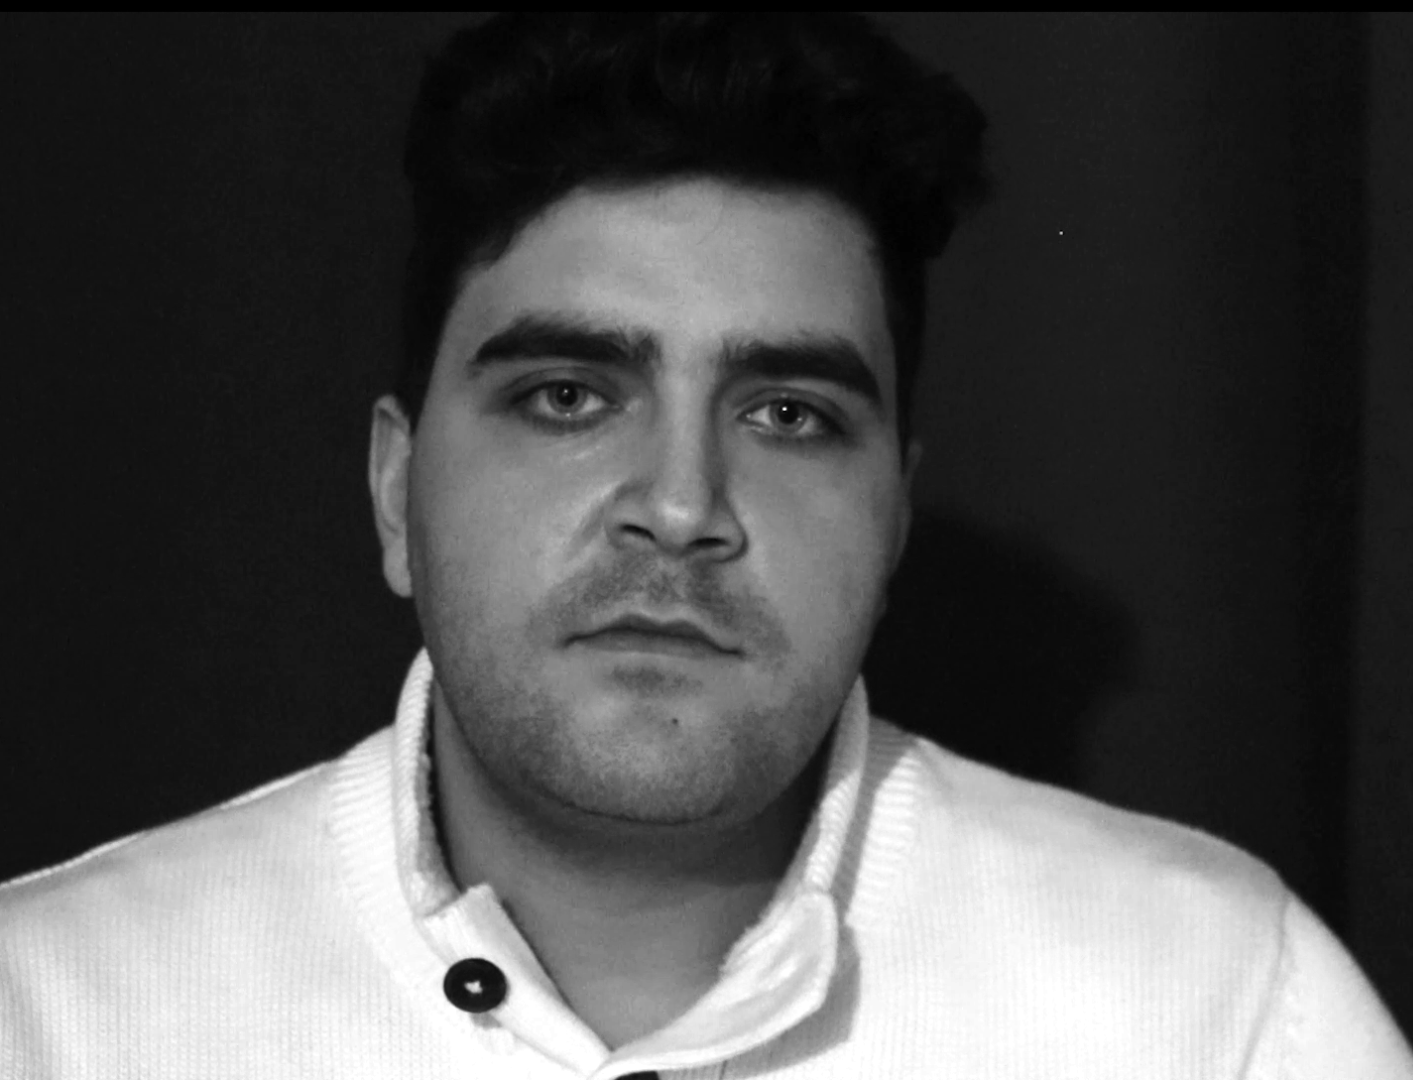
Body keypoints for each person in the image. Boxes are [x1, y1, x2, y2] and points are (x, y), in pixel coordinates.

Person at [2, 12, 1409, 1078]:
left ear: (894, 517)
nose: (680, 506)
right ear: (394, 492)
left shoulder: (1222, 1012)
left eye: (790, 414)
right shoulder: (54, 1014)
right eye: (567, 397)